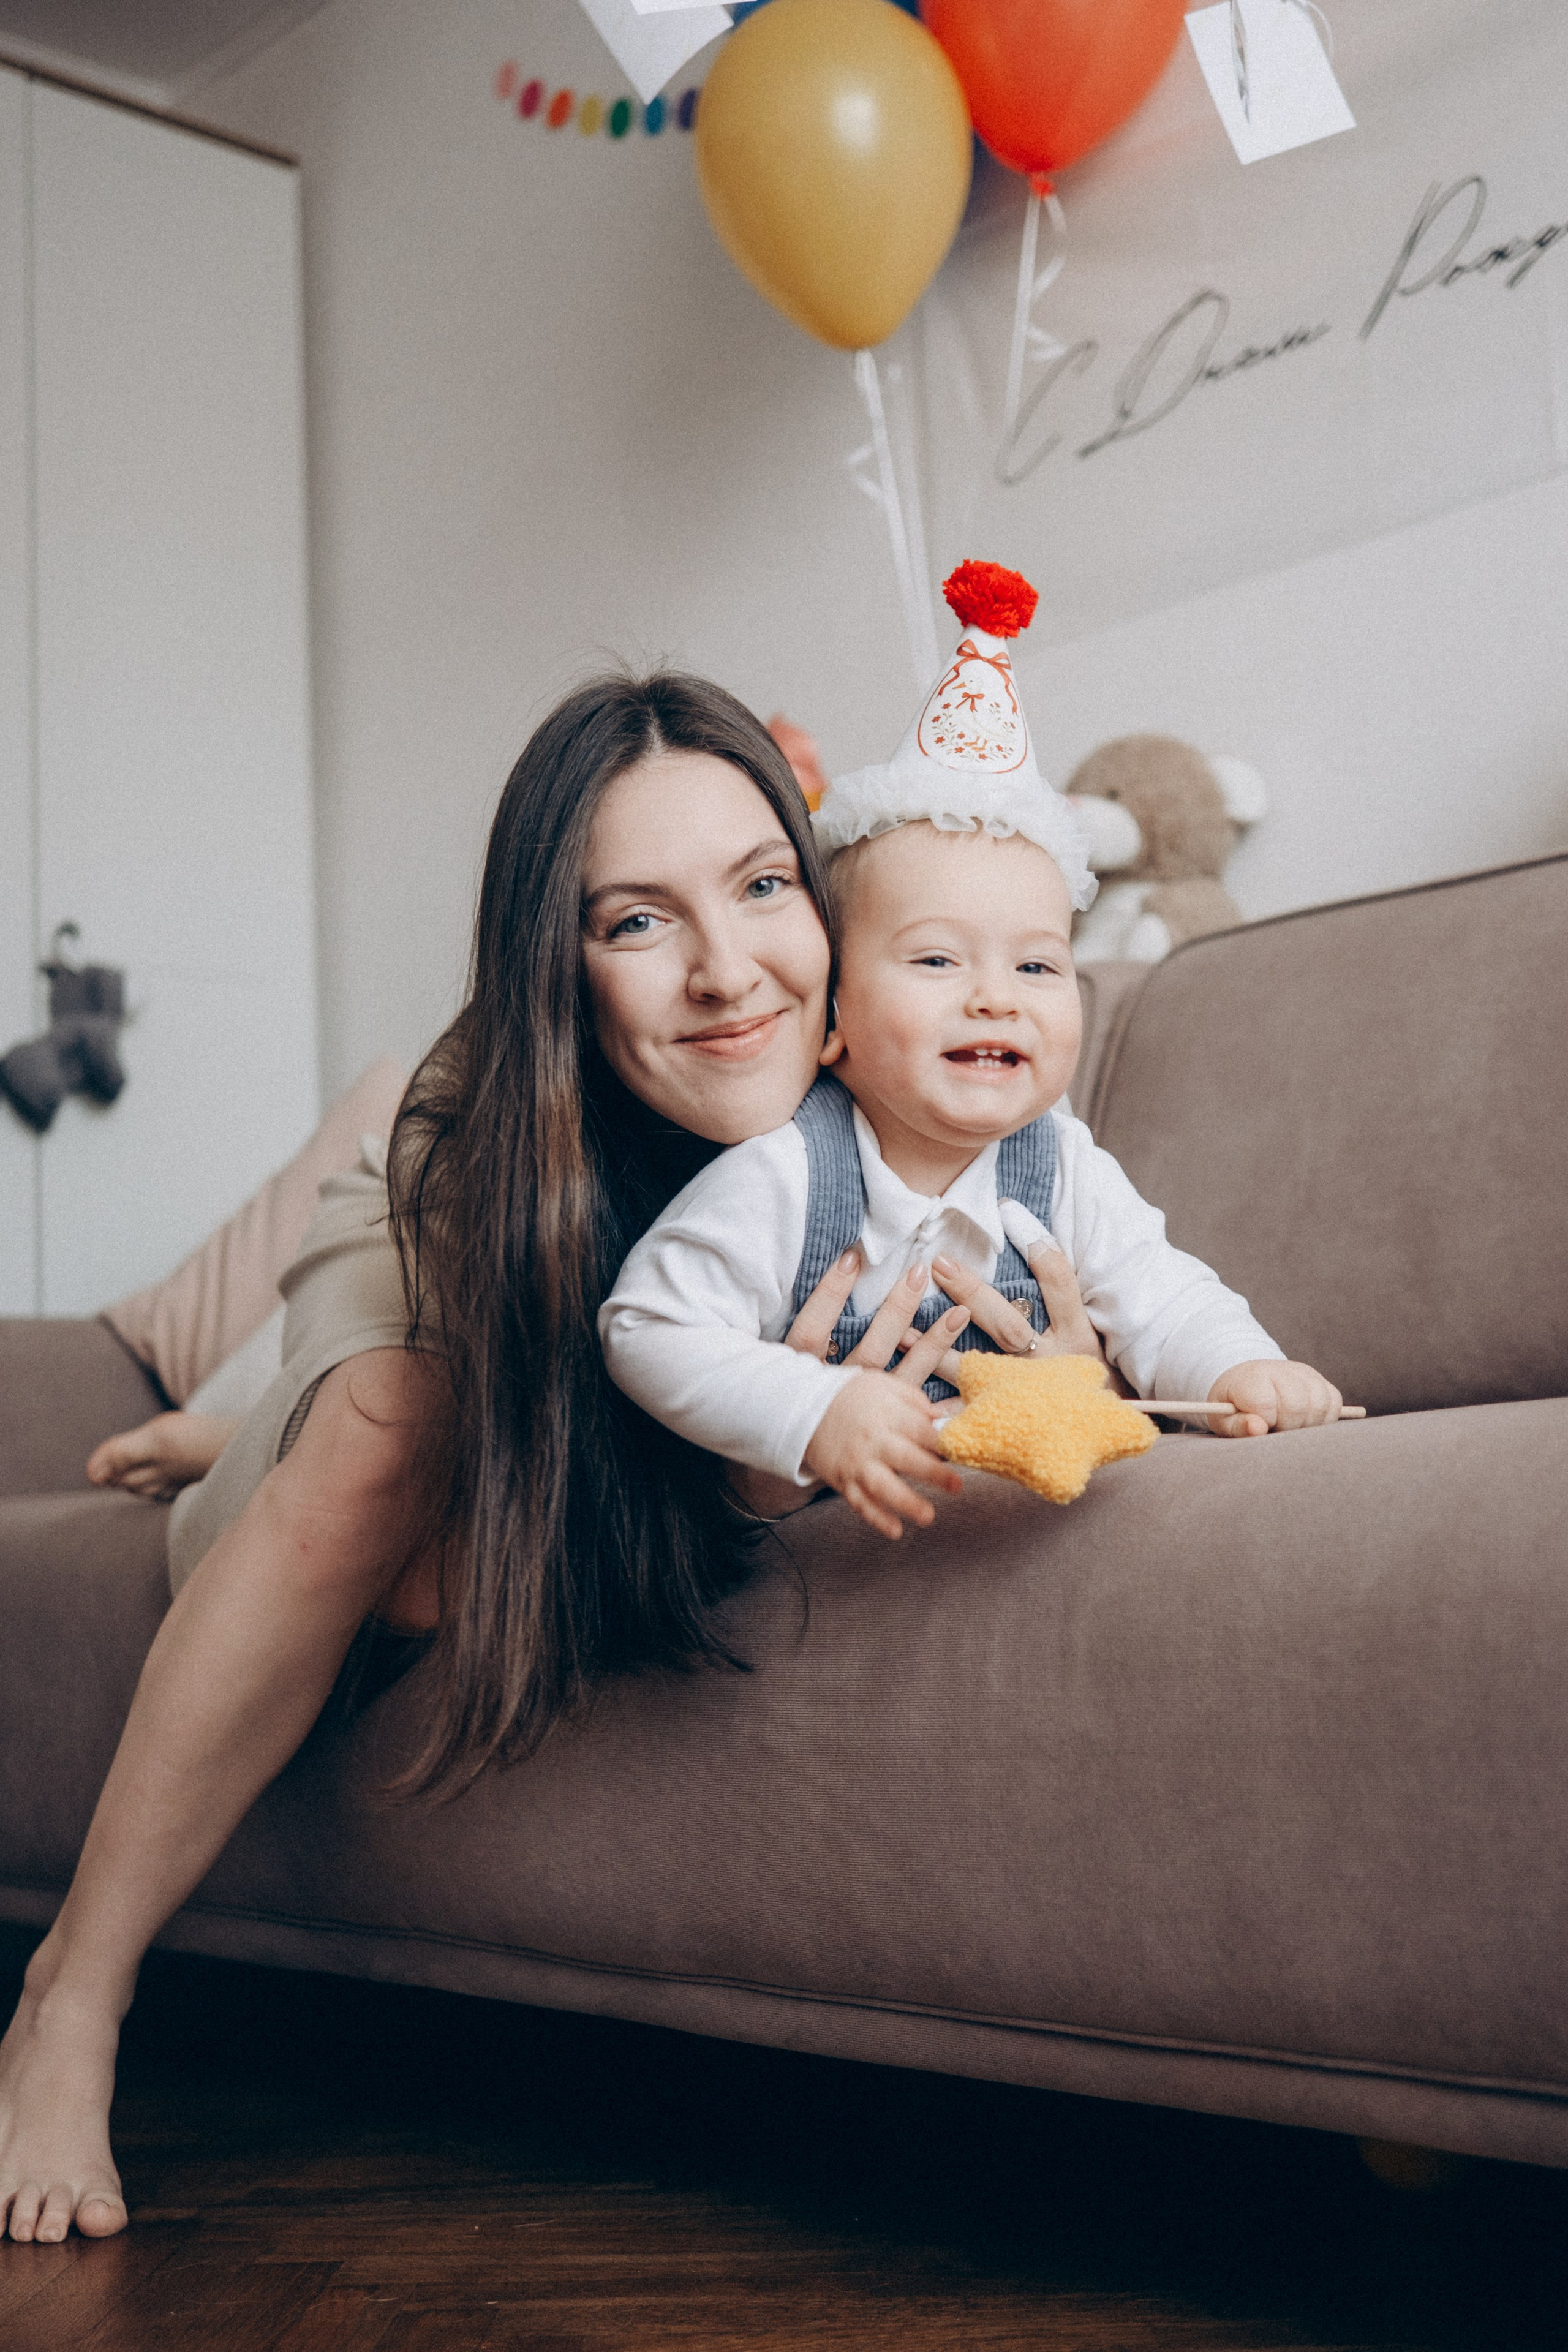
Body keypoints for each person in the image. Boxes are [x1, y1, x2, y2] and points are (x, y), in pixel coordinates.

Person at [0, 669, 1104, 2245]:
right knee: (386, 1421)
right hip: (428, 1308)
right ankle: (67, 1998)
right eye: (635, 921)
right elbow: (536, 1500)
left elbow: (1065, 1326)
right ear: (565, 965)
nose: (729, 974)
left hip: (526, 1389)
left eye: (763, 887)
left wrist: (1053, 1379)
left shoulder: (921, 1056)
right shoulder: (492, 1134)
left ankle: (237, 1420)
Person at [601, 565, 1343, 1538]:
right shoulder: (783, 1175)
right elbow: (648, 1326)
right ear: (833, 1018)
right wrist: (813, 1412)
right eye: (939, 958)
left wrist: (1241, 1368)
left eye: (1038, 969)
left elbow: (1162, 1297)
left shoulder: (1060, 1163)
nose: (995, 996)